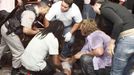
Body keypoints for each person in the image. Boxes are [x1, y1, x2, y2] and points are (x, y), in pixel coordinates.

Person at [0, 1, 49, 75]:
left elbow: (27, 21)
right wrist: (37, 32)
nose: (47, 12)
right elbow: (26, 30)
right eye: (47, 10)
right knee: (19, 52)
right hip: (10, 32)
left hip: (5, 26)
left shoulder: (30, 6)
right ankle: (15, 71)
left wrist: (35, 28)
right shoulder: (30, 13)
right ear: (42, 8)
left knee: (2, 47)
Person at [91, 0, 134, 75]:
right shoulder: (116, 6)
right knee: (126, 70)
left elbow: (119, 23)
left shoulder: (104, 8)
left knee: (116, 71)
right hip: (131, 38)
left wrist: (111, 43)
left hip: (127, 37)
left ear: (97, 4)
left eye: (92, 8)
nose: (95, 11)